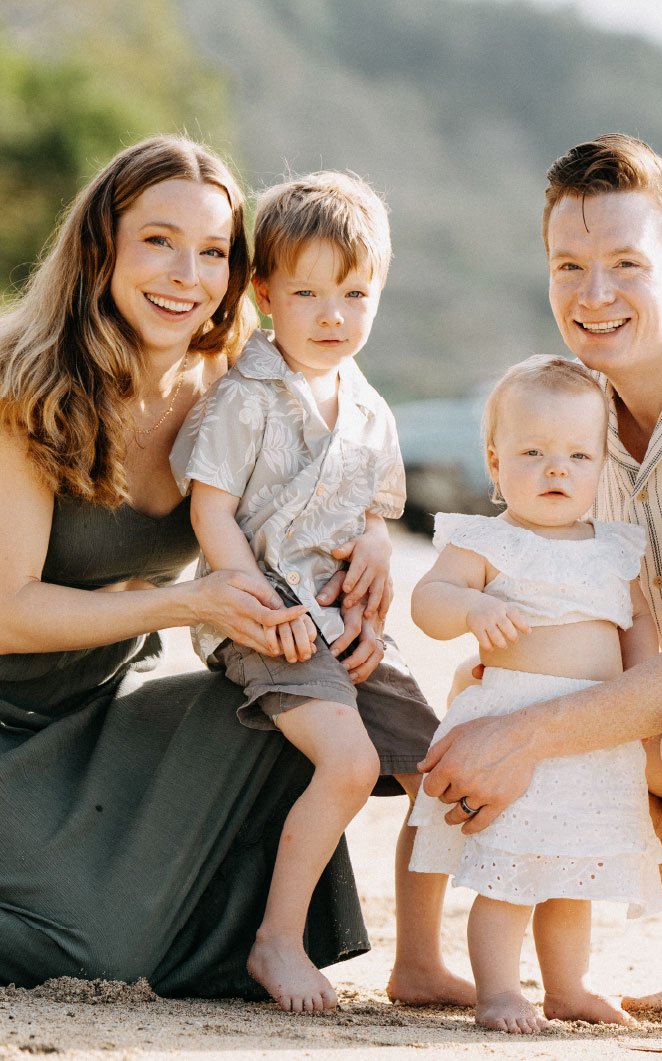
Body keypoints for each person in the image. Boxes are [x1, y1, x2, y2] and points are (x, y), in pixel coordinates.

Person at [418, 133, 662, 1037]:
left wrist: (525, 733)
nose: (593, 294)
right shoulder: (579, 405)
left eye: (626, 264)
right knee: (513, 691)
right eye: (569, 266)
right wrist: (507, 696)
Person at [0, 136, 390, 998]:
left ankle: (261, 939)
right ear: (101, 246)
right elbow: (9, 612)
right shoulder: (25, 384)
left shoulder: (232, 387)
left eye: (213, 251)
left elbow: (319, 488)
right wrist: (193, 602)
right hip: (6, 714)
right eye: (158, 240)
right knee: (101, 950)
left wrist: (366, 554)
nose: (187, 274)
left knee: (294, 706)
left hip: (95, 706)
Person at [170, 171, 475, 1014]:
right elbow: (211, 510)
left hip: (343, 619)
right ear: (265, 295)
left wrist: (375, 543)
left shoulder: (369, 407)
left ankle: (419, 959)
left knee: (440, 772)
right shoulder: (245, 397)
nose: (332, 314)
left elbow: (373, 511)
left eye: (354, 293)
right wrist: (254, 600)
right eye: (307, 293)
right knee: (350, 762)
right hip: (263, 614)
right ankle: (278, 938)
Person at [409, 355, 662, 1034]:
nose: (557, 470)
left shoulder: (616, 546)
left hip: (592, 734)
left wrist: (644, 696)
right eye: (533, 453)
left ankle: (567, 987)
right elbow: (428, 601)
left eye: (578, 455)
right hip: (510, 724)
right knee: (510, 870)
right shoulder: (488, 541)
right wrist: (470, 607)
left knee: (572, 873)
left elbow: (638, 622)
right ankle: (498, 990)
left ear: (601, 465)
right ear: (494, 463)